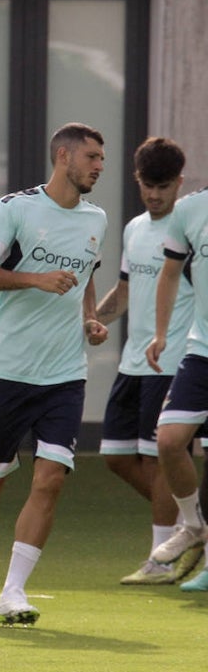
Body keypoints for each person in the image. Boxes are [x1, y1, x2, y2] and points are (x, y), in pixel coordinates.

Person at [0, 122, 109, 627]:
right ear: (63, 156)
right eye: (91, 157)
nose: (99, 167)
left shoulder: (97, 219)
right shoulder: (13, 208)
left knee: (50, 481)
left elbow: (86, 276)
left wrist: (89, 317)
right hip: (6, 371)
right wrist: (32, 279)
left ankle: (13, 592)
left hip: (65, 373)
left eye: (102, 160)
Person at [95, 137, 205, 585]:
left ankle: (159, 561)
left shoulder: (188, 229)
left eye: (162, 186)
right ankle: (191, 521)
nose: (154, 195)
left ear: (179, 183)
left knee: (161, 456)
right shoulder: (134, 228)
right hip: (131, 363)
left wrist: (166, 338)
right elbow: (123, 291)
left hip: (175, 360)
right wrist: (89, 320)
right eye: (147, 185)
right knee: (117, 458)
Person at [143, 167, 208, 588]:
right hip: (201, 349)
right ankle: (193, 524)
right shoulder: (189, 209)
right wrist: (162, 332)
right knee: (168, 439)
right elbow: (169, 273)